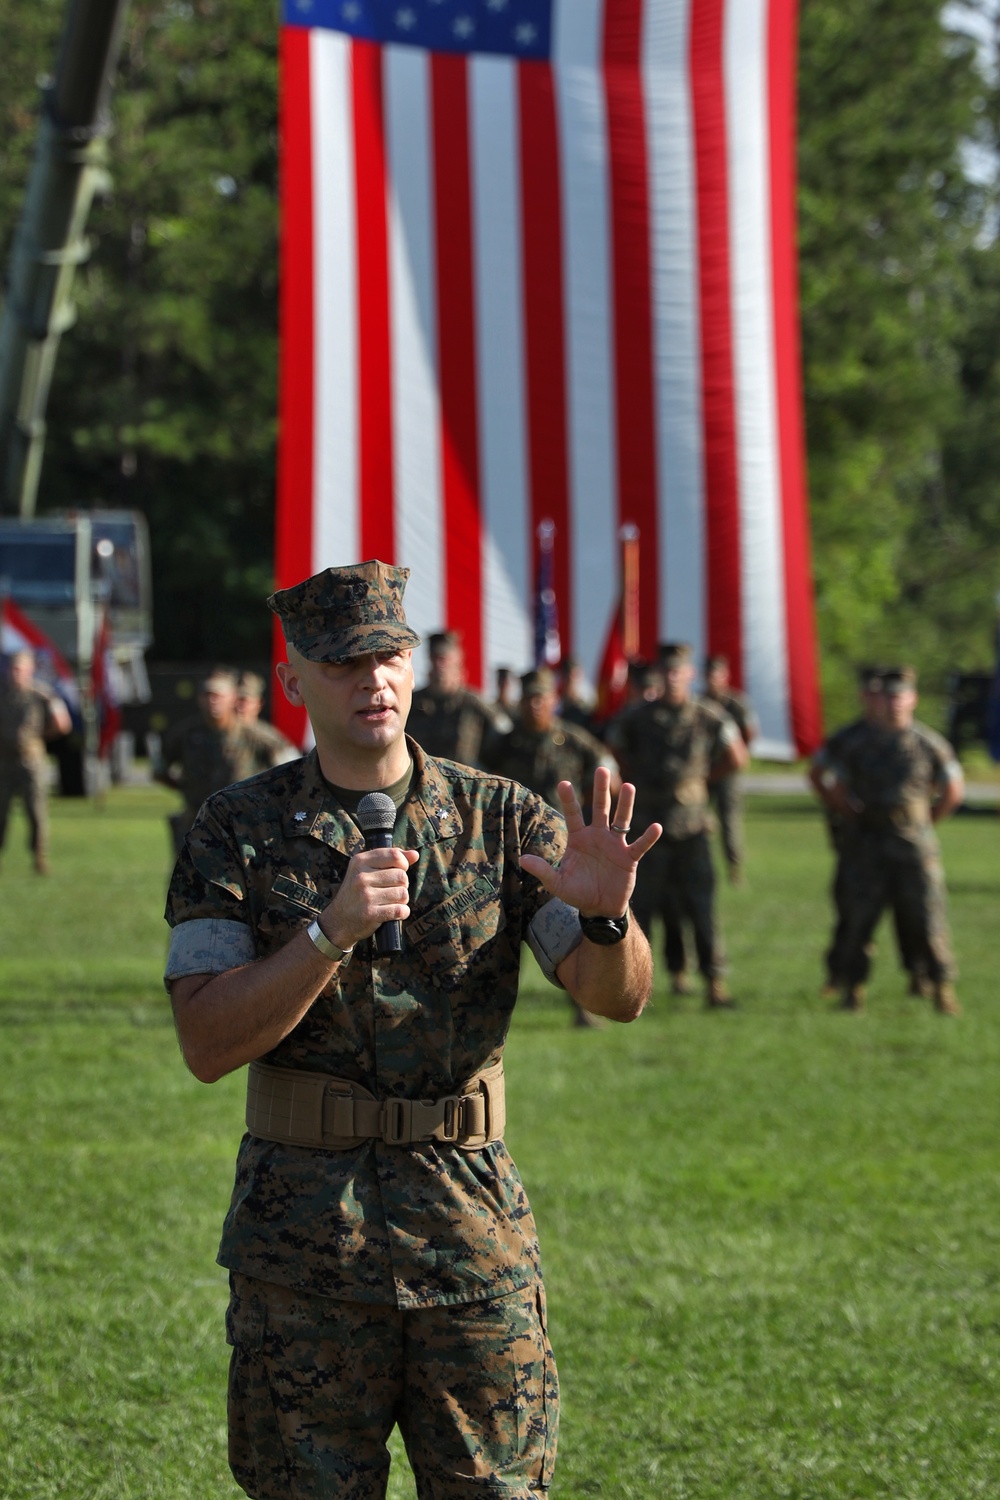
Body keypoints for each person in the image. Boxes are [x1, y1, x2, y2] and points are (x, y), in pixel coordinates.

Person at [164, 560, 661, 1499]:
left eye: (390, 656)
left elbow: (614, 995)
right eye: (344, 663)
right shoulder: (236, 830)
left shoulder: (503, 818)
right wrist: (327, 934)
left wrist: (606, 919)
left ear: (416, 667)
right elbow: (206, 1043)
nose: (373, 681)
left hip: (471, 1236)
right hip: (304, 1247)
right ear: (294, 681)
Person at [809, 666, 964, 1014]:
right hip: (866, 843)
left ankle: (941, 986)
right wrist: (844, 807)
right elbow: (818, 773)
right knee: (857, 919)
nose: (893, 703)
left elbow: (953, 790)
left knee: (927, 917)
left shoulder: (928, 743)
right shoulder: (854, 740)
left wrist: (924, 823)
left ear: (913, 698)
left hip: (913, 847)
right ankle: (853, 988)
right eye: (888, 696)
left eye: (900, 695)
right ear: (877, 699)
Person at [606, 642, 747, 1006]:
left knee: (701, 908)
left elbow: (737, 756)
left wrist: (703, 781)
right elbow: (612, 753)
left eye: (678, 672)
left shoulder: (708, 715)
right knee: (642, 909)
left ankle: (715, 983)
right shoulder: (636, 717)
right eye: (666, 672)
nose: (671, 679)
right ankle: (635, 985)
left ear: (690, 674)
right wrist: (632, 783)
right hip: (648, 829)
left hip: (692, 828)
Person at [484, 667, 621, 1029]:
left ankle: (584, 1006)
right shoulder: (504, 744)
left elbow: (609, 771)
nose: (534, 706)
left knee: (571, 933)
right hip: (509, 855)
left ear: (553, 701)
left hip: (562, 856)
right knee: (500, 937)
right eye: (528, 698)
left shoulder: (573, 740)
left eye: (541, 698)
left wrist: (588, 812)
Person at [154, 667, 295, 856]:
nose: (212, 701)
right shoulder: (185, 734)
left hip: (243, 829)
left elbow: (294, 773)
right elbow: (159, 769)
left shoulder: (256, 736)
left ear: (233, 699)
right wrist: (186, 788)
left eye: (218, 695)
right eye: (207, 695)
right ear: (199, 698)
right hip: (197, 824)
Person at [0, 649, 72, 874]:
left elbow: (63, 723)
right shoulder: (3, 695)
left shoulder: (41, 694)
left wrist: (39, 737)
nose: (15, 674)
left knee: (35, 811)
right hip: (4, 761)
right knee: (1, 812)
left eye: (19, 669)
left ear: (29, 670)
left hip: (31, 760)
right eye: (12, 669)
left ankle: (39, 857)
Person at [409, 630, 509, 767]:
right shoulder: (413, 702)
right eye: (436, 658)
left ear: (458, 660)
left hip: (464, 782)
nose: (440, 665)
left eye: (445, 659)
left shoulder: (474, 703)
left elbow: (505, 733)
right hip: (422, 780)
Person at [701, 654, 758, 884]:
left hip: (727, 770)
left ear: (725, 675)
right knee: (697, 817)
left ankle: (734, 868)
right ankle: (702, 866)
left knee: (730, 820)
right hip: (703, 769)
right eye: (709, 674)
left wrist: (739, 752)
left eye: (717, 673)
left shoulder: (736, 702)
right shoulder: (700, 701)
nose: (712, 678)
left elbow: (749, 732)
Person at [236, 671, 300, 769]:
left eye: (245, 701)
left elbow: (294, 769)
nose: (239, 706)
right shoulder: (220, 732)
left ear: (258, 704)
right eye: (236, 700)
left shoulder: (267, 739)